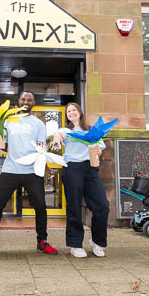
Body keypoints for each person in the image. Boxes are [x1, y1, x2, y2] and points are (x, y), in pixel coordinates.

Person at [0, 91, 58, 256]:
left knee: (40, 206)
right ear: (18, 101)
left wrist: (45, 165)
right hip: (10, 169)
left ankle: (42, 242)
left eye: (29, 99)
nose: (26, 101)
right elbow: (3, 145)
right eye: (23, 99)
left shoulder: (38, 124)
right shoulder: (7, 121)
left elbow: (41, 148)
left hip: (32, 171)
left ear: (33, 102)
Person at [52, 102, 109, 258]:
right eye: (68, 111)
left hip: (90, 169)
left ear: (80, 112)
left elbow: (99, 151)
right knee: (74, 207)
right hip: (72, 169)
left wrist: (98, 151)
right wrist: (57, 139)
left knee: (102, 205)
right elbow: (59, 135)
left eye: (74, 110)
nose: (71, 113)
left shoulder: (92, 130)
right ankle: (75, 244)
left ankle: (98, 242)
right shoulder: (66, 130)